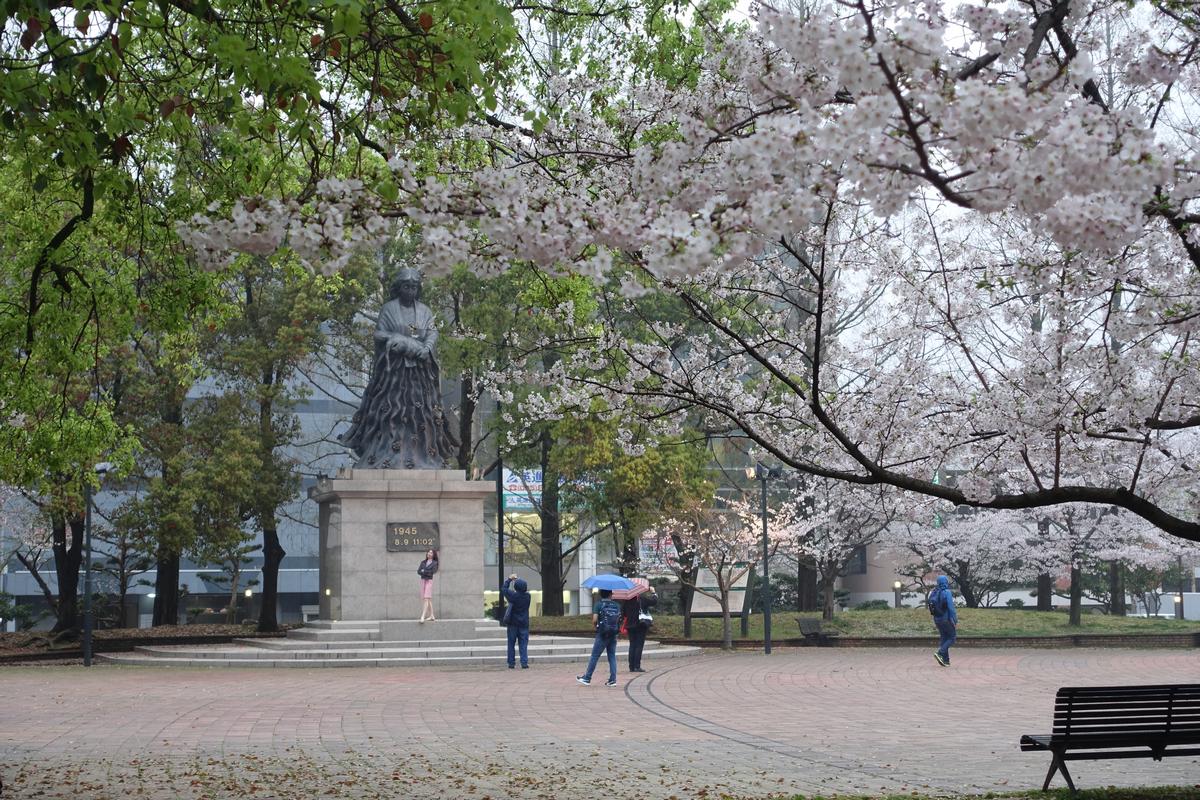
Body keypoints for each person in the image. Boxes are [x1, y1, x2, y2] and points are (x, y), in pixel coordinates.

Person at [340, 267, 459, 470]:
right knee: (390, 412)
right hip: (394, 375)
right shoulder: (389, 308)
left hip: (419, 376)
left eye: (414, 287)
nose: (410, 290)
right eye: (406, 286)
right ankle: (386, 453)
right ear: (399, 288)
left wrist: (426, 348)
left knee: (422, 414)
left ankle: (423, 455)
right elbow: (379, 334)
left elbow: (432, 332)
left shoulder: (424, 311)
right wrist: (401, 341)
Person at [577, 589, 621, 687]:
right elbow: (618, 619)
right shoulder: (617, 605)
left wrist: (596, 626)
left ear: (601, 595)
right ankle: (613, 680)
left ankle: (587, 678)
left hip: (602, 634)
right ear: (610, 594)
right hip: (613, 634)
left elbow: (594, 619)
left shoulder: (598, 604)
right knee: (612, 656)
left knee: (595, 656)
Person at [623, 584, 658, 673]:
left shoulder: (627, 601)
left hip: (630, 625)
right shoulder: (642, 599)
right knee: (639, 645)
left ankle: (631, 667)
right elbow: (654, 601)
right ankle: (637, 666)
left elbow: (624, 614)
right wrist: (653, 592)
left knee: (632, 645)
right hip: (640, 625)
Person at [501, 574, 532, 669]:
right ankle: (524, 662)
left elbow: (504, 589)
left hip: (513, 624)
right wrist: (519, 581)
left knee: (511, 643)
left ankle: (511, 663)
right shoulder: (528, 596)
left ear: (515, 587)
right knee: (523, 644)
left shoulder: (513, 596)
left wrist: (510, 579)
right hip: (524, 623)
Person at [929, 574, 958, 667]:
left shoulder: (933, 592)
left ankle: (945, 660)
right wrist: (955, 620)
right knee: (952, 637)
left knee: (944, 638)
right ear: (946, 582)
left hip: (937, 620)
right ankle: (940, 652)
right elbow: (951, 608)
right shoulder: (946, 592)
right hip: (946, 619)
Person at [418, 549, 439, 623]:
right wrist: (425, 571)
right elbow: (418, 571)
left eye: (431, 552)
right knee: (428, 599)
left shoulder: (435, 563)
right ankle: (432, 615)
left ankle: (423, 616)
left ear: (433, 555)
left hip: (429, 581)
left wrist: (424, 571)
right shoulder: (423, 562)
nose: (429, 553)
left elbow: (432, 572)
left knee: (426, 598)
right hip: (423, 580)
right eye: (428, 552)